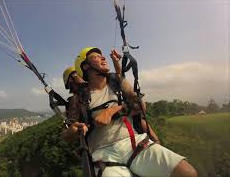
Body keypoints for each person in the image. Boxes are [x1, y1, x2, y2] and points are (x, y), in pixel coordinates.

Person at [63, 47, 197, 177]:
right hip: (104, 154)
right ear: (86, 66)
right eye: (96, 57)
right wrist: (75, 130)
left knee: (187, 172)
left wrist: (111, 110)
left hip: (133, 143)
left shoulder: (116, 83)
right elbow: (66, 136)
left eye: (101, 55)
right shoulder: (78, 99)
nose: (103, 58)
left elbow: (140, 106)